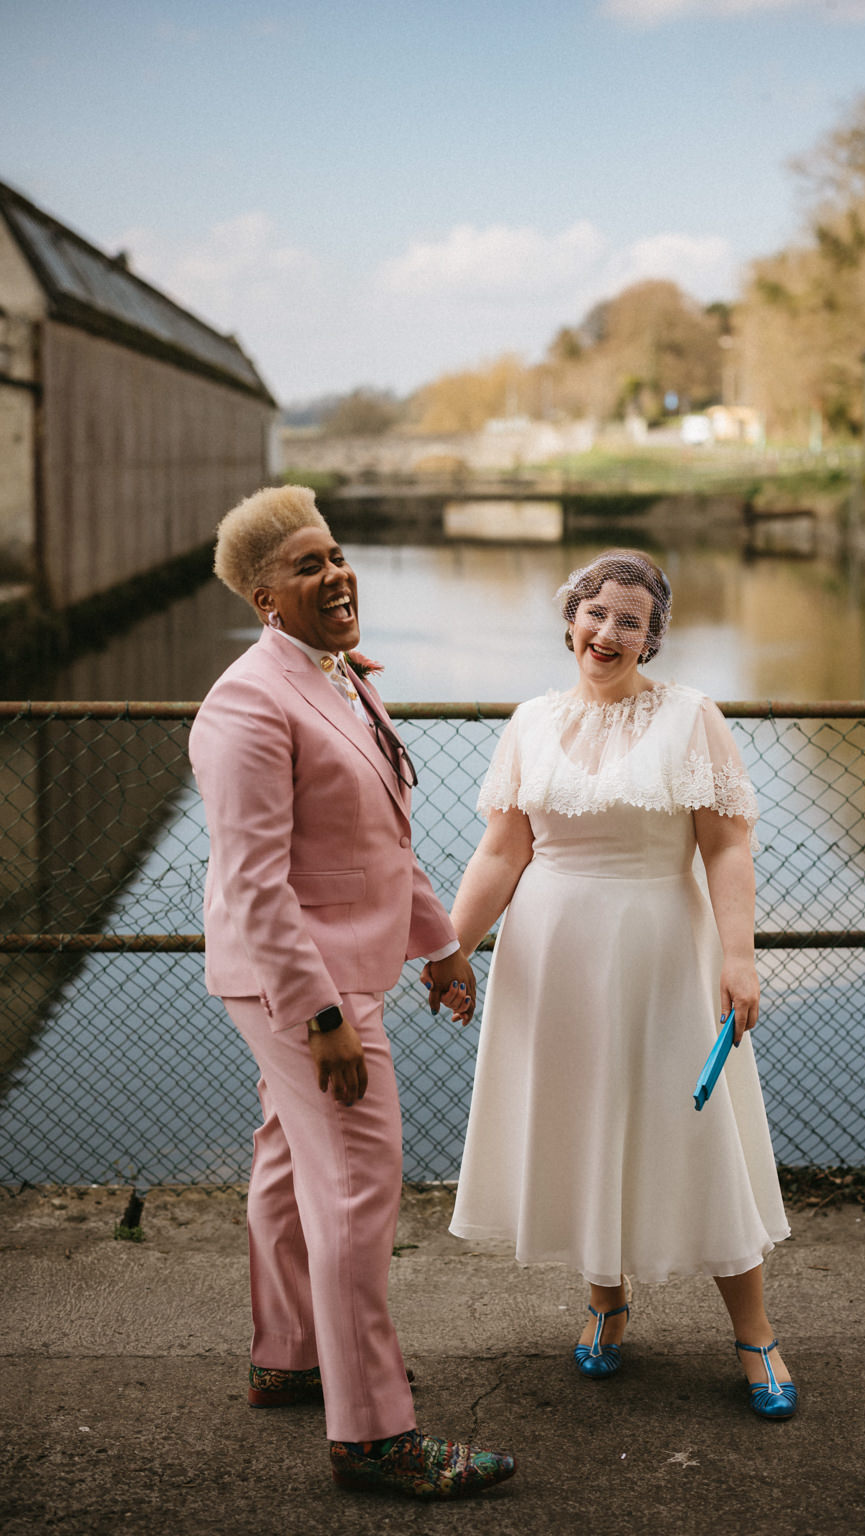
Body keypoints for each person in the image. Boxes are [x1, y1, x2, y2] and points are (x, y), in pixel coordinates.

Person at [188, 485, 516, 1498]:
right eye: (306, 565)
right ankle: (372, 1434)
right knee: (358, 1190)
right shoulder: (247, 705)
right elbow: (255, 883)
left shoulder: (340, 680)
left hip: (341, 969)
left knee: (292, 1163)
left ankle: (289, 1357)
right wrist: (323, 1017)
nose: (335, 574)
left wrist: (442, 949)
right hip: (302, 985)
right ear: (263, 601)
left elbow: (385, 843)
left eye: (335, 554)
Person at [448, 549, 797, 1420]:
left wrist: (739, 956)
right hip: (552, 952)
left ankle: (755, 1333)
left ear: (653, 637)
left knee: (697, 1131)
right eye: (595, 613)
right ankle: (606, 1302)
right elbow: (502, 852)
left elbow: (726, 846)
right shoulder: (529, 721)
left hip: (661, 947)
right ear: (570, 617)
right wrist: (448, 949)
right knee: (584, 1122)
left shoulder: (692, 718)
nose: (608, 634)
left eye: (630, 622)